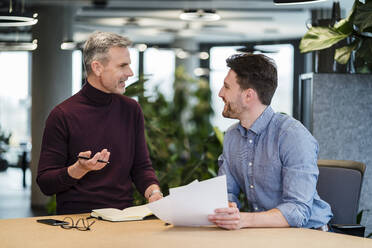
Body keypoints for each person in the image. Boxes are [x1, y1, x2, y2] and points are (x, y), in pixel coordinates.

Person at [37, 31, 162, 214]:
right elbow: (45, 183)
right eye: (122, 66)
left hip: (123, 219)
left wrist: (153, 192)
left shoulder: (131, 109)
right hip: (77, 222)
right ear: (97, 68)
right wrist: (78, 169)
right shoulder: (62, 115)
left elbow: (141, 167)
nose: (130, 73)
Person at [208, 53, 332, 230]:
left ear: (248, 96)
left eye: (226, 87)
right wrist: (226, 208)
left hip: (308, 234)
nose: (220, 93)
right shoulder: (232, 136)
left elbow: (297, 211)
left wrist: (243, 220)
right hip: (263, 234)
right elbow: (226, 193)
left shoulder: (292, 136)